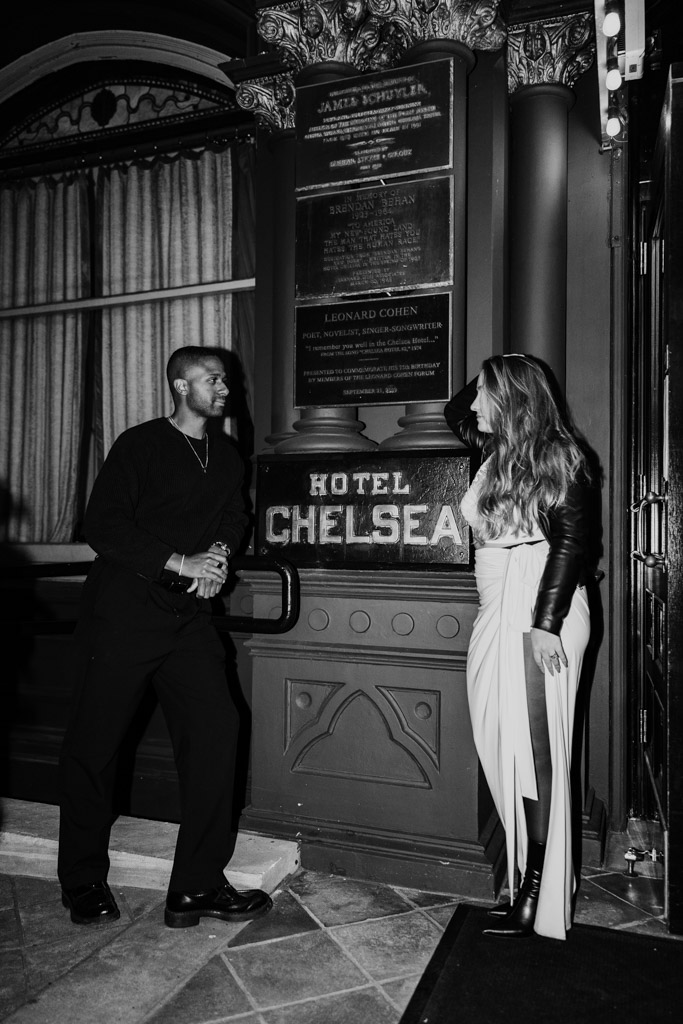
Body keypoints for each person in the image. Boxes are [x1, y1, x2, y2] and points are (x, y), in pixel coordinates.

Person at [58, 346, 272, 928]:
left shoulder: (226, 455)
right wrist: (183, 563)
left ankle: (197, 884)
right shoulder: (141, 444)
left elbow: (234, 515)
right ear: (181, 386)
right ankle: (81, 881)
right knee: (95, 748)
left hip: (187, 623)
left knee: (217, 730)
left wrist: (219, 560)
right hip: (122, 615)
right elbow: (103, 526)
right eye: (212, 379)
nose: (224, 388)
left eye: (226, 379)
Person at [444, 354, 593, 940]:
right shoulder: (490, 453)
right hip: (493, 612)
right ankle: (525, 874)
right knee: (498, 742)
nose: (474, 404)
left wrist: (544, 624)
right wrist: (499, 371)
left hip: (540, 613)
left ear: (509, 399)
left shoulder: (561, 456)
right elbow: (455, 408)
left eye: (486, 393)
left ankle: (537, 892)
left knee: (537, 754)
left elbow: (571, 544)